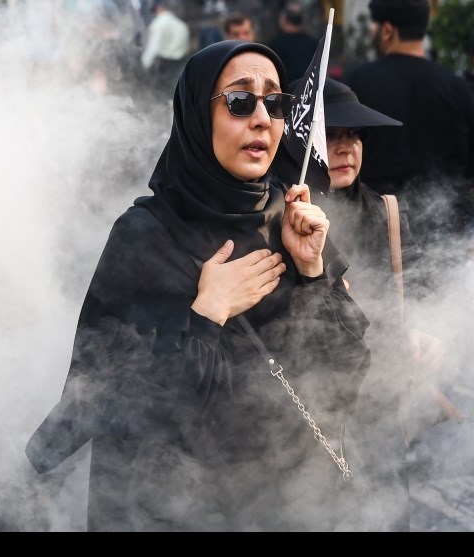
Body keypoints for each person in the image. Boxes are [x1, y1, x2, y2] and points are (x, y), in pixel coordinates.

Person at [25, 40, 387, 531]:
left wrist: (311, 271)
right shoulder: (148, 234)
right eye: (240, 101)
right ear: (198, 114)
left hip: (290, 505)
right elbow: (124, 409)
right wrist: (206, 316)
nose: (261, 118)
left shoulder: (289, 216)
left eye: (274, 102)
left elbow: (344, 380)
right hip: (179, 513)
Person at [318, 78, 451, 531]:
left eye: (354, 136)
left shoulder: (385, 211)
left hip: (378, 407)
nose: (346, 148)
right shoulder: (271, 215)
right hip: (306, 414)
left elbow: (414, 288)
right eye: (331, 134)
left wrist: (421, 331)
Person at [342, 0, 474, 245]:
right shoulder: (458, 89)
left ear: (387, 30)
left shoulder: (355, 84)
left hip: (375, 232)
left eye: (375, 26)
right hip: (446, 234)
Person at [140, 0, 190, 97]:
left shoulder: (158, 23)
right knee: (175, 94)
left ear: (158, 8)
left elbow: (154, 46)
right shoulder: (181, 25)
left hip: (164, 66)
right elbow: (186, 48)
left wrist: (145, 63)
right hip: (180, 64)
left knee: (161, 96)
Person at [266, 2, 319, 84]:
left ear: (284, 19)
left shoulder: (275, 44)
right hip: (307, 92)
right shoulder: (313, 43)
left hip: (284, 92)